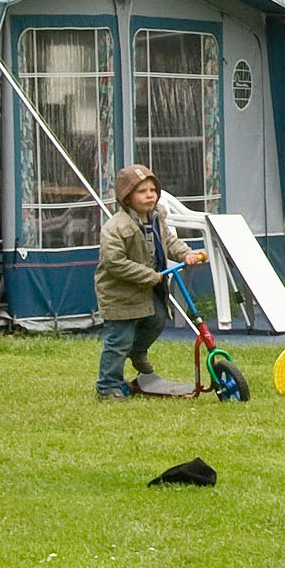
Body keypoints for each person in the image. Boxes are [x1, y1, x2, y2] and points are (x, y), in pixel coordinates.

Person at [94, 164, 207, 399]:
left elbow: (168, 241)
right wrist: (149, 275)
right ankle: (107, 385)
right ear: (126, 198)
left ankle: (137, 351)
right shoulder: (116, 227)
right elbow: (114, 262)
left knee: (156, 319)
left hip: (148, 289)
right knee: (119, 340)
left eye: (152, 190)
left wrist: (185, 253)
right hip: (120, 292)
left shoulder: (157, 217)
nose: (149, 195)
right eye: (141, 191)